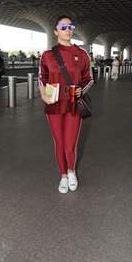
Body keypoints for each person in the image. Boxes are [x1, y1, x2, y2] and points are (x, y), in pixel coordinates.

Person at [39, 15, 93, 194]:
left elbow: (89, 79)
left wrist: (81, 90)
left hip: (72, 103)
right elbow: (42, 78)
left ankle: (71, 172)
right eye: (63, 27)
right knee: (59, 142)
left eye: (70, 26)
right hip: (53, 103)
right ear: (55, 31)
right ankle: (62, 175)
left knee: (70, 144)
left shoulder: (82, 54)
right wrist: (45, 96)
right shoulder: (47, 56)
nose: (68, 29)